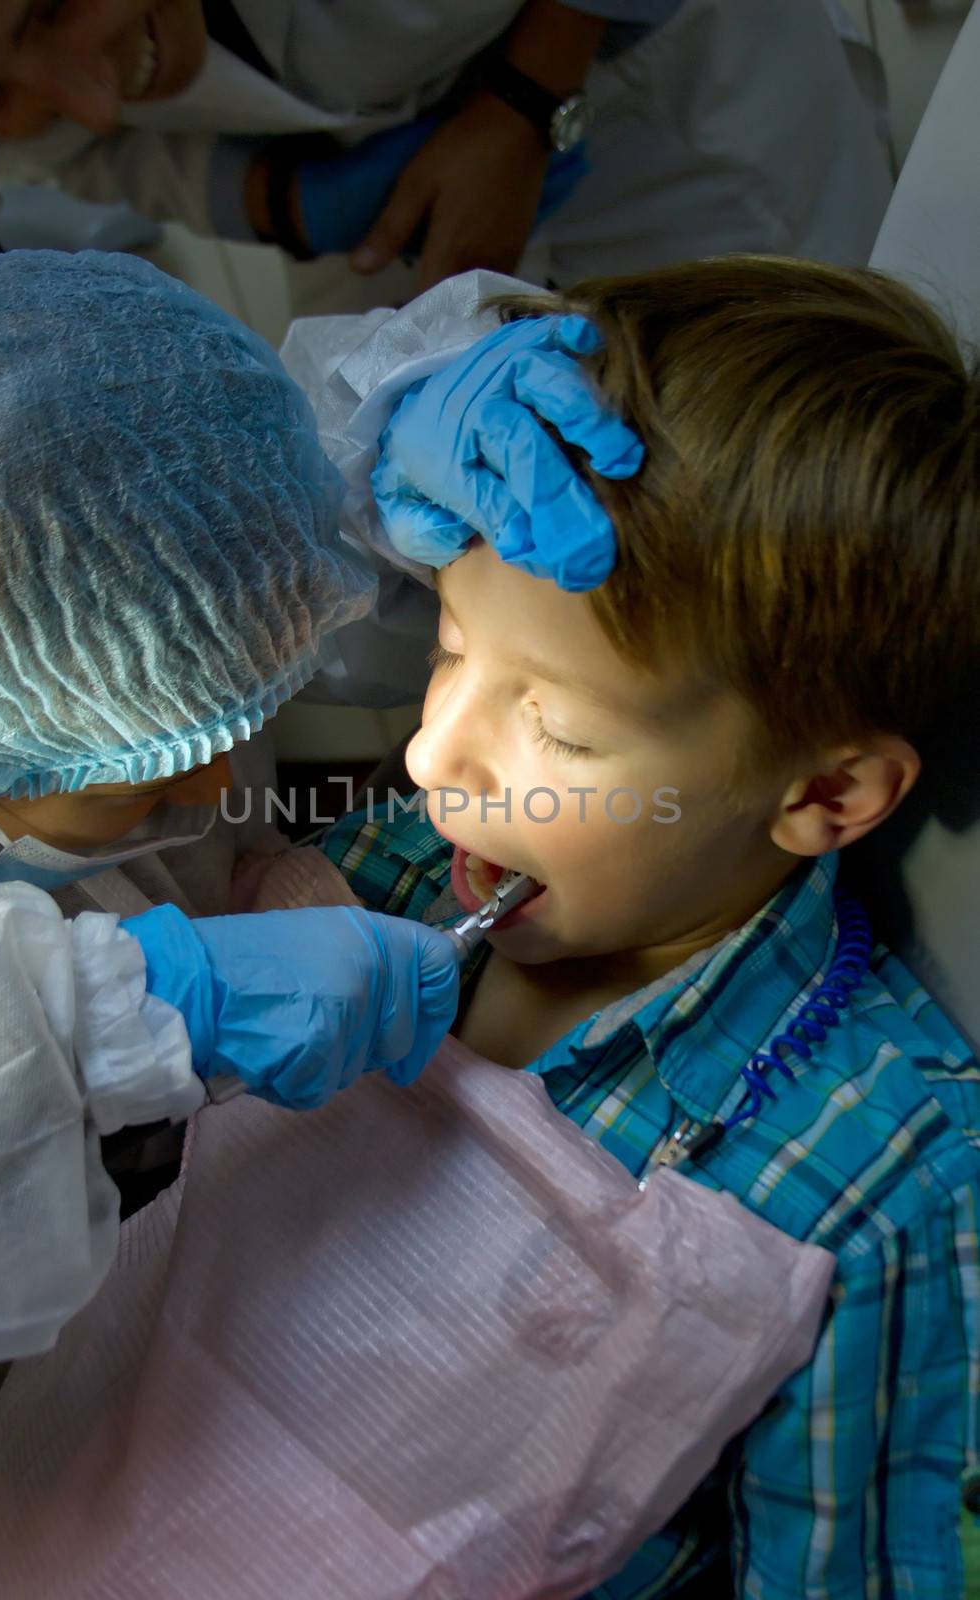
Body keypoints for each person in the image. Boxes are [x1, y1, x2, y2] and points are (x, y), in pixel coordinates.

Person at [305, 262, 980, 1595]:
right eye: (446, 649)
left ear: (825, 793)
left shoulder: (870, 1174)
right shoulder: (375, 866)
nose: (436, 756)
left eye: (556, 728)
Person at [0, 244, 476, 1386]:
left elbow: (298, 525)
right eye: (140, 780)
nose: (221, 791)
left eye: (247, 715)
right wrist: (116, 1012)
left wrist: (418, 415)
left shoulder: (133, 574)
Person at [0, 0, 891, 298]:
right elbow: (66, 152)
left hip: (671, 108)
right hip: (392, 210)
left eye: (54, 5)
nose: (89, 100)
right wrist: (283, 203)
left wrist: (520, 104)